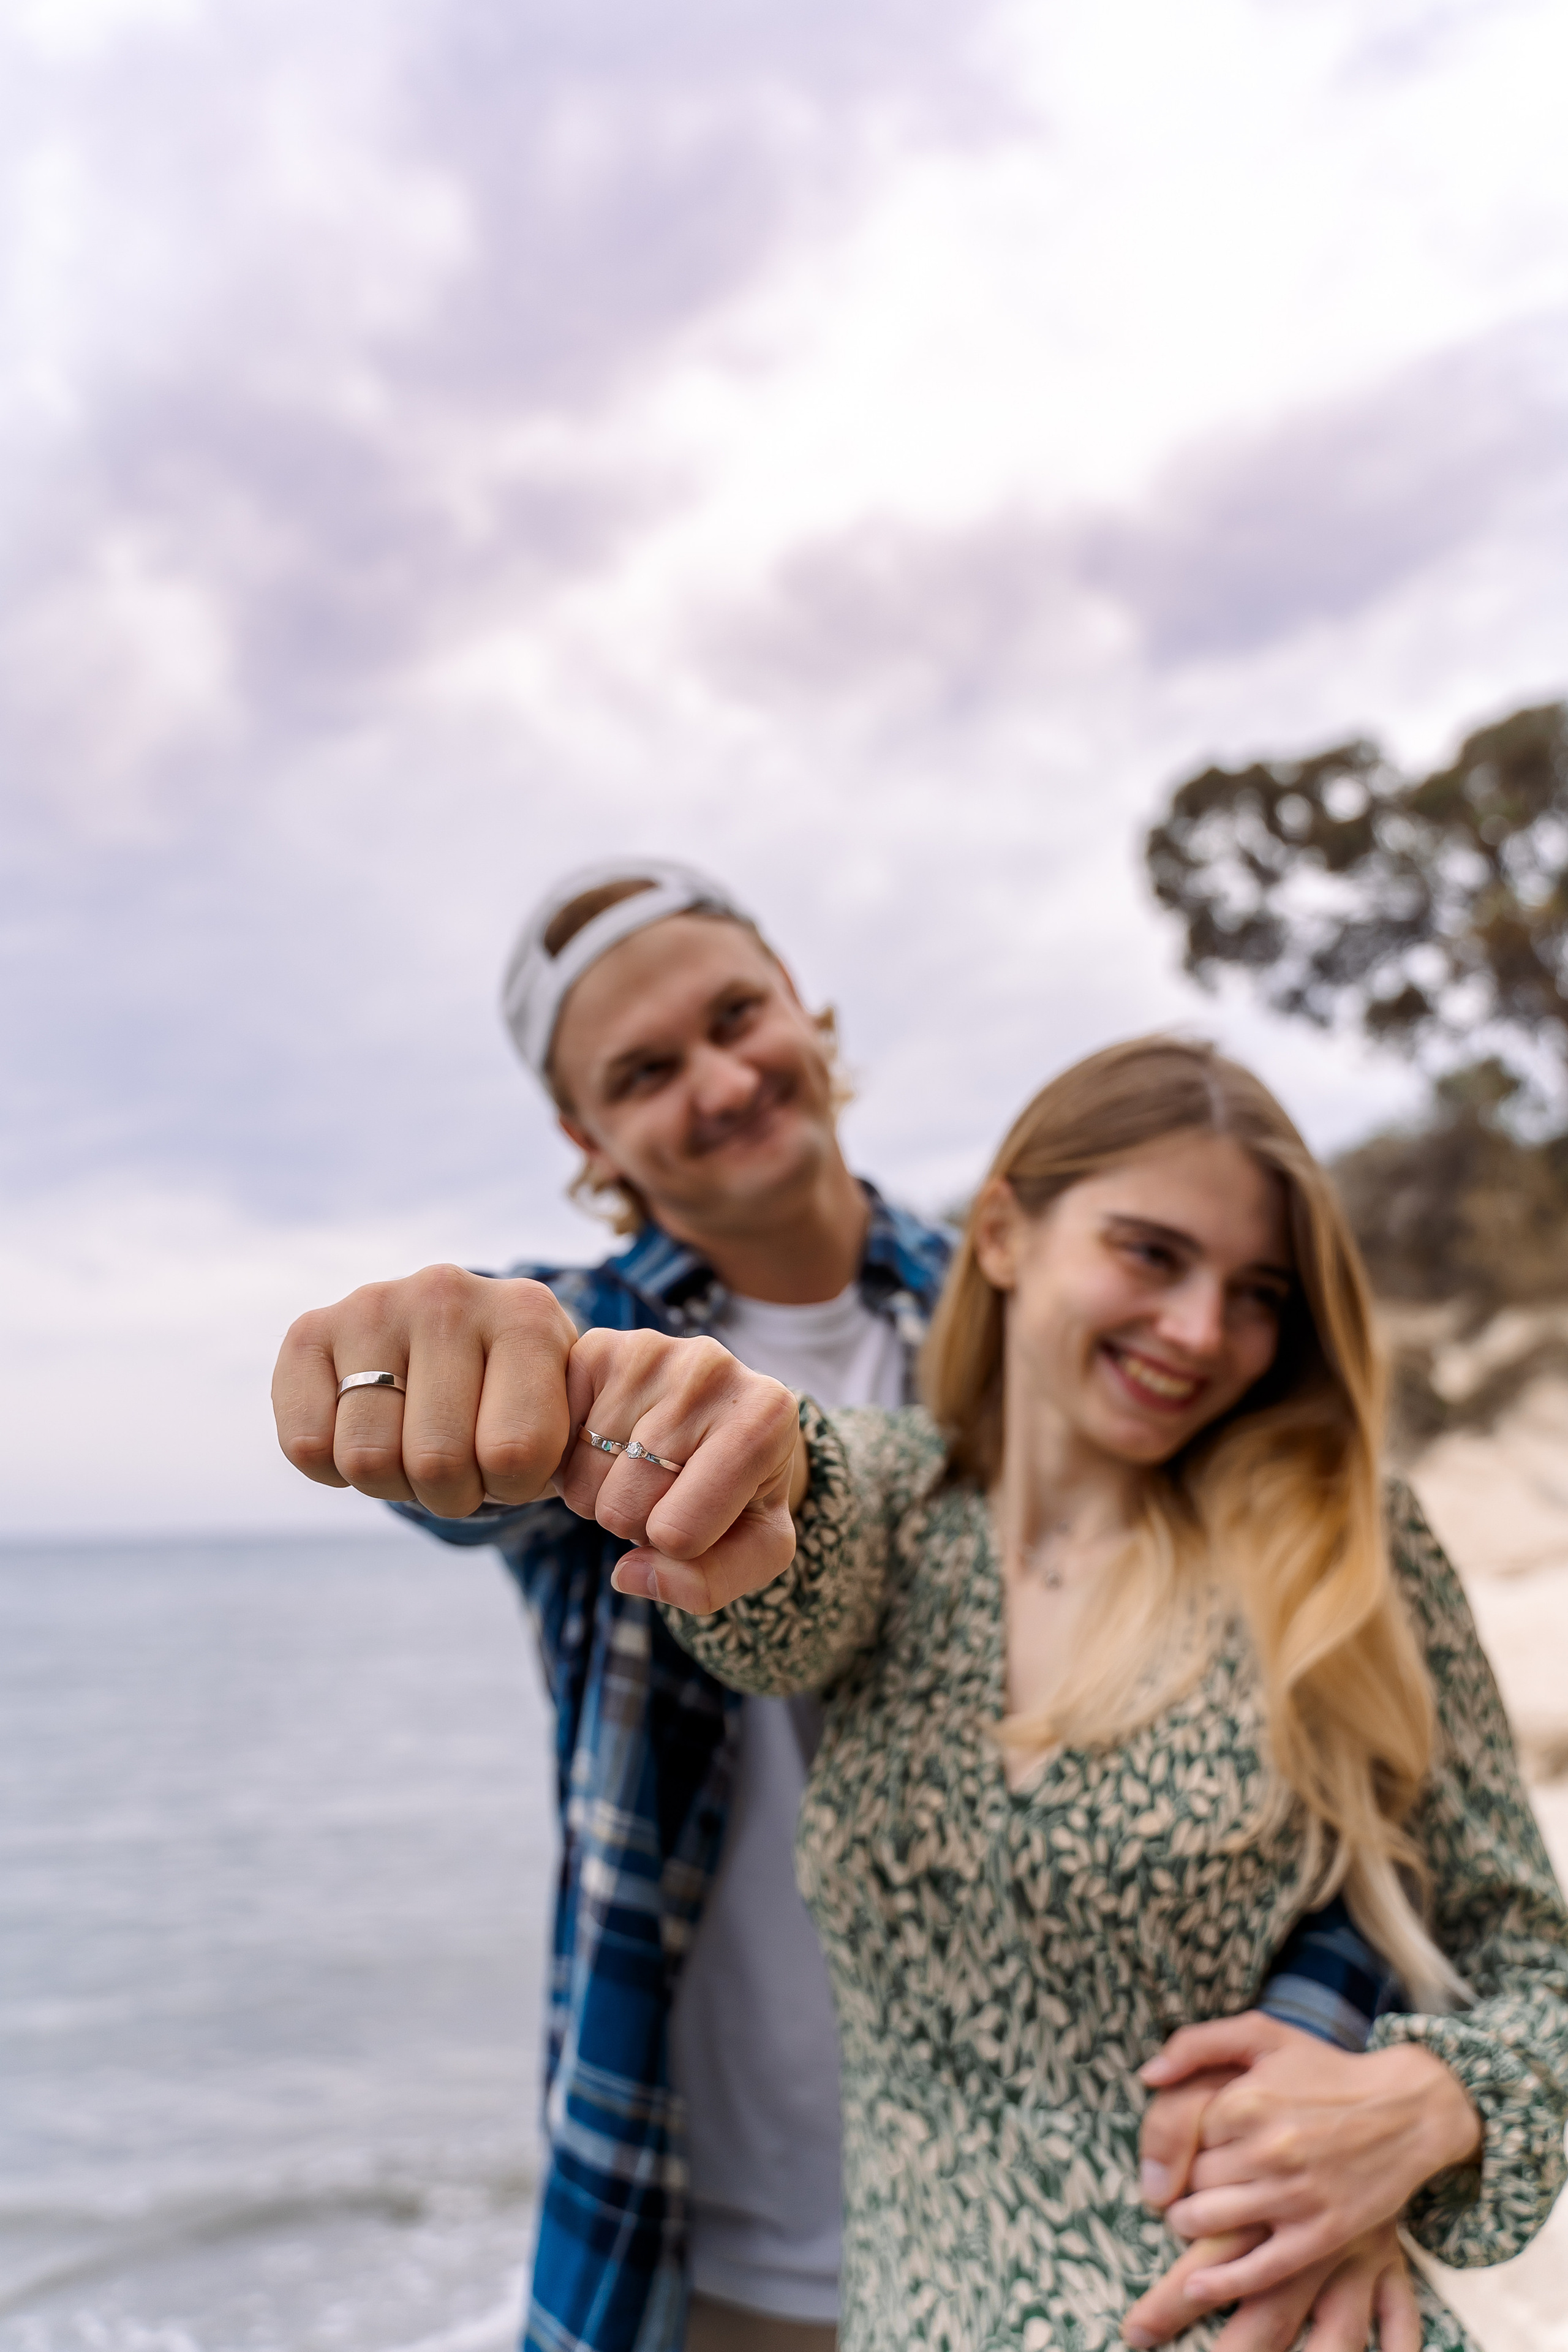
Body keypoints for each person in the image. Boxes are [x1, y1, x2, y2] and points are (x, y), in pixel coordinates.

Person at [273, 881, 1420, 2352]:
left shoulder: (1053, 1326)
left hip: (1089, 2216)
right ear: (585, 1141)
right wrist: (426, 1363)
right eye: (642, 1071)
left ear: (799, 1003)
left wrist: (1320, 2067)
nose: (720, 1078)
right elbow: (478, 1458)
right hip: (704, 2234)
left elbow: (1330, 1748)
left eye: (735, 1017)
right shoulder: (587, 1358)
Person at [518, 1036, 1568, 2347]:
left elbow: (1532, 1961)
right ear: (1002, 1235)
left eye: (1256, 1293)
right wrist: (723, 1444)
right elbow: (796, 1515)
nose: (1200, 1330)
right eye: (1148, 1253)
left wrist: (1430, 2100)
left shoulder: (1344, 1547)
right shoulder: (897, 1515)